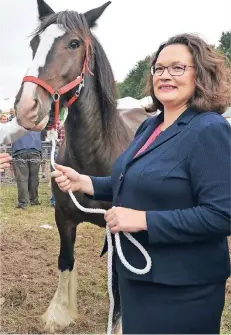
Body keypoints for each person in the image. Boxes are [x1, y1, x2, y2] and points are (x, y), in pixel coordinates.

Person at [51, 33, 231, 334]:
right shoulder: (150, 126)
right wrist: (87, 182)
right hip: (136, 276)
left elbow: (223, 215)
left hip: (182, 288)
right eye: (159, 69)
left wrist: (144, 220)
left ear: (200, 74)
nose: (165, 76)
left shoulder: (209, 130)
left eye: (177, 68)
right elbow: (134, 180)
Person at [12, 131, 42, 209]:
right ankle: (34, 200)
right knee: (34, 177)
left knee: (22, 178)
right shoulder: (36, 123)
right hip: (35, 150)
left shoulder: (16, 122)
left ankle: (23, 203)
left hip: (19, 150)